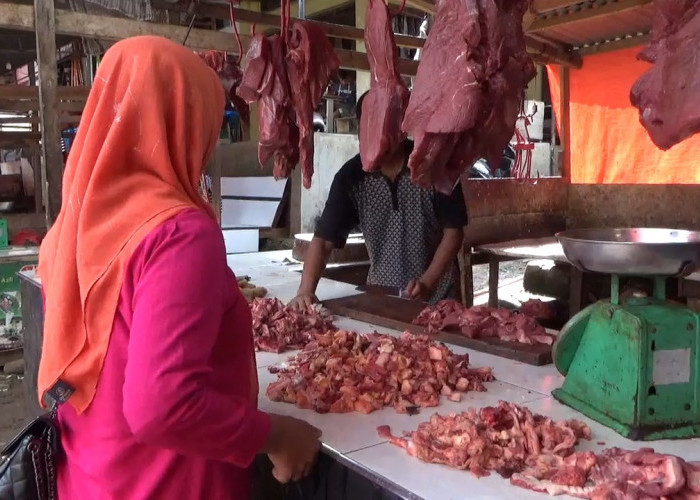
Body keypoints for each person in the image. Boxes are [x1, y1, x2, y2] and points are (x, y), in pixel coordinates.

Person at [37, 36, 320, 500]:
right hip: (168, 484)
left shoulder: (73, 226)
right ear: (183, 124)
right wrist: (278, 436)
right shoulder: (178, 234)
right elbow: (160, 406)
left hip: (92, 480)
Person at [289, 91, 467, 309]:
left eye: (386, 128)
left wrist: (427, 282)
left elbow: (454, 233)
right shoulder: (351, 177)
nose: (378, 138)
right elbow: (324, 240)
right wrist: (305, 291)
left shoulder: (433, 165)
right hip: (382, 298)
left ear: (401, 129)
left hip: (439, 299)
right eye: (370, 130)